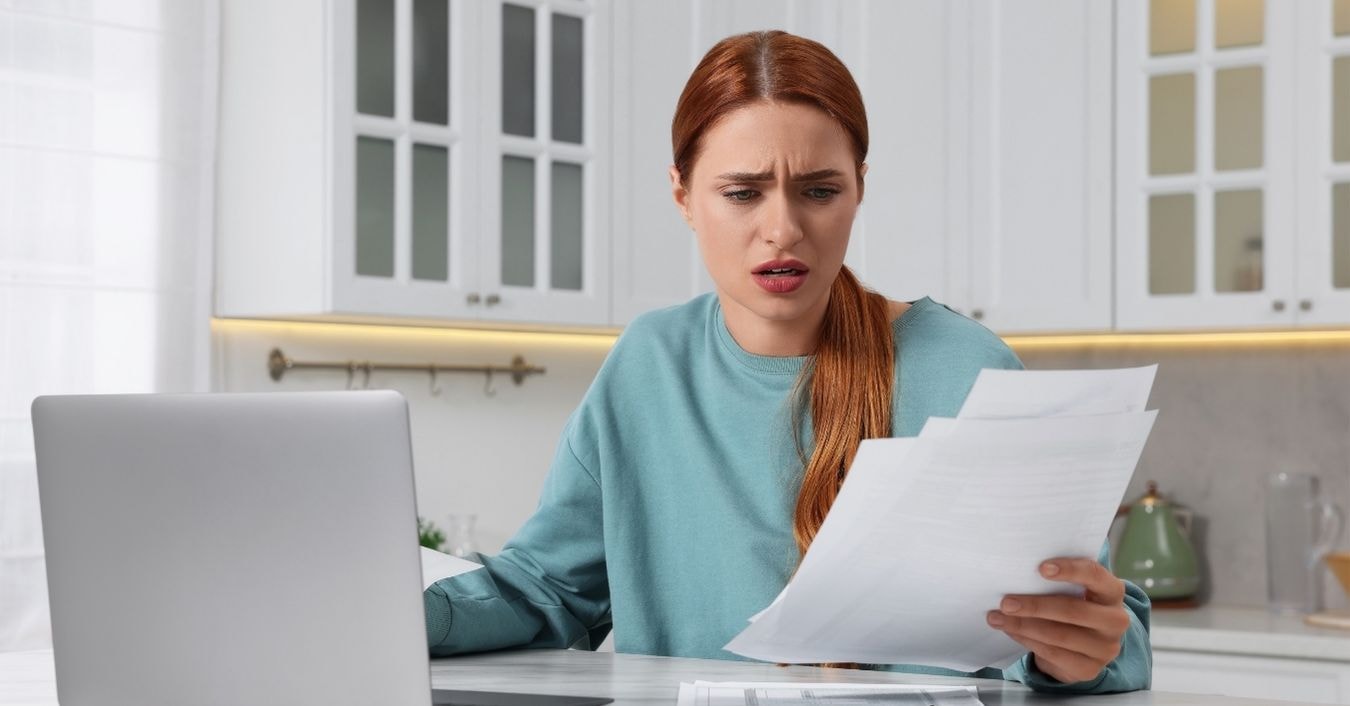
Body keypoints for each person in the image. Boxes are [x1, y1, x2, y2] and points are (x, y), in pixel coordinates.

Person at [423, 30, 1150, 693]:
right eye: (742, 193)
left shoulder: (964, 368)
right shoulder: (647, 365)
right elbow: (545, 591)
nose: (783, 230)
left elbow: (1100, 621)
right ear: (681, 194)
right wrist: (384, 606)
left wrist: (1081, 649)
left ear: (859, 188)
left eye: (820, 191)